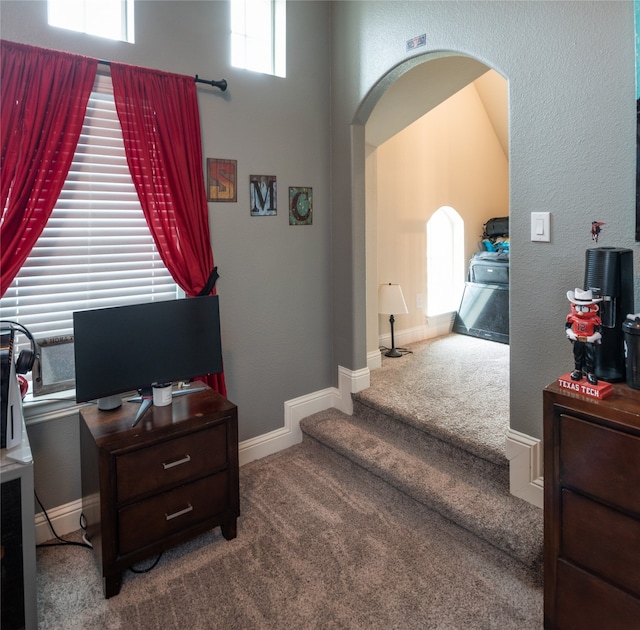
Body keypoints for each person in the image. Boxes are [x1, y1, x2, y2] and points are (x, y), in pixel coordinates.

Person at [565, 288, 602, 385]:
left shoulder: (594, 319)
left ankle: (590, 373)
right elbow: (567, 327)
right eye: (579, 308)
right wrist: (571, 334)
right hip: (577, 339)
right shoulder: (572, 317)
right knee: (578, 355)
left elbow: (599, 330)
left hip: (588, 340)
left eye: (584, 308)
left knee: (590, 357)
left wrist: (593, 337)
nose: (580, 312)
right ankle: (578, 371)